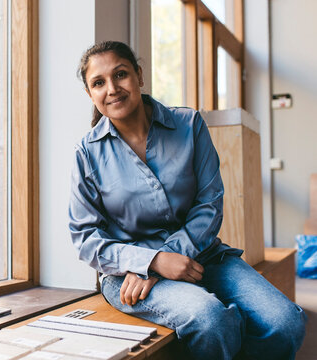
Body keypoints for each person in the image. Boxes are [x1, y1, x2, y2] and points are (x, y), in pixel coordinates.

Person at [68, 41, 306, 360]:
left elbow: (209, 204)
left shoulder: (189, 125)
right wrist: (151, 263)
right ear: (90, 94)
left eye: (121, 74)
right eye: (98, 83)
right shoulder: (87, 153)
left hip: (205, 256)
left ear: (139, 76)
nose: (112, 89)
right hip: (129, 276)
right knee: (210, 319)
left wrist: (166, 256)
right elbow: (85, 239)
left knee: (286, 323)